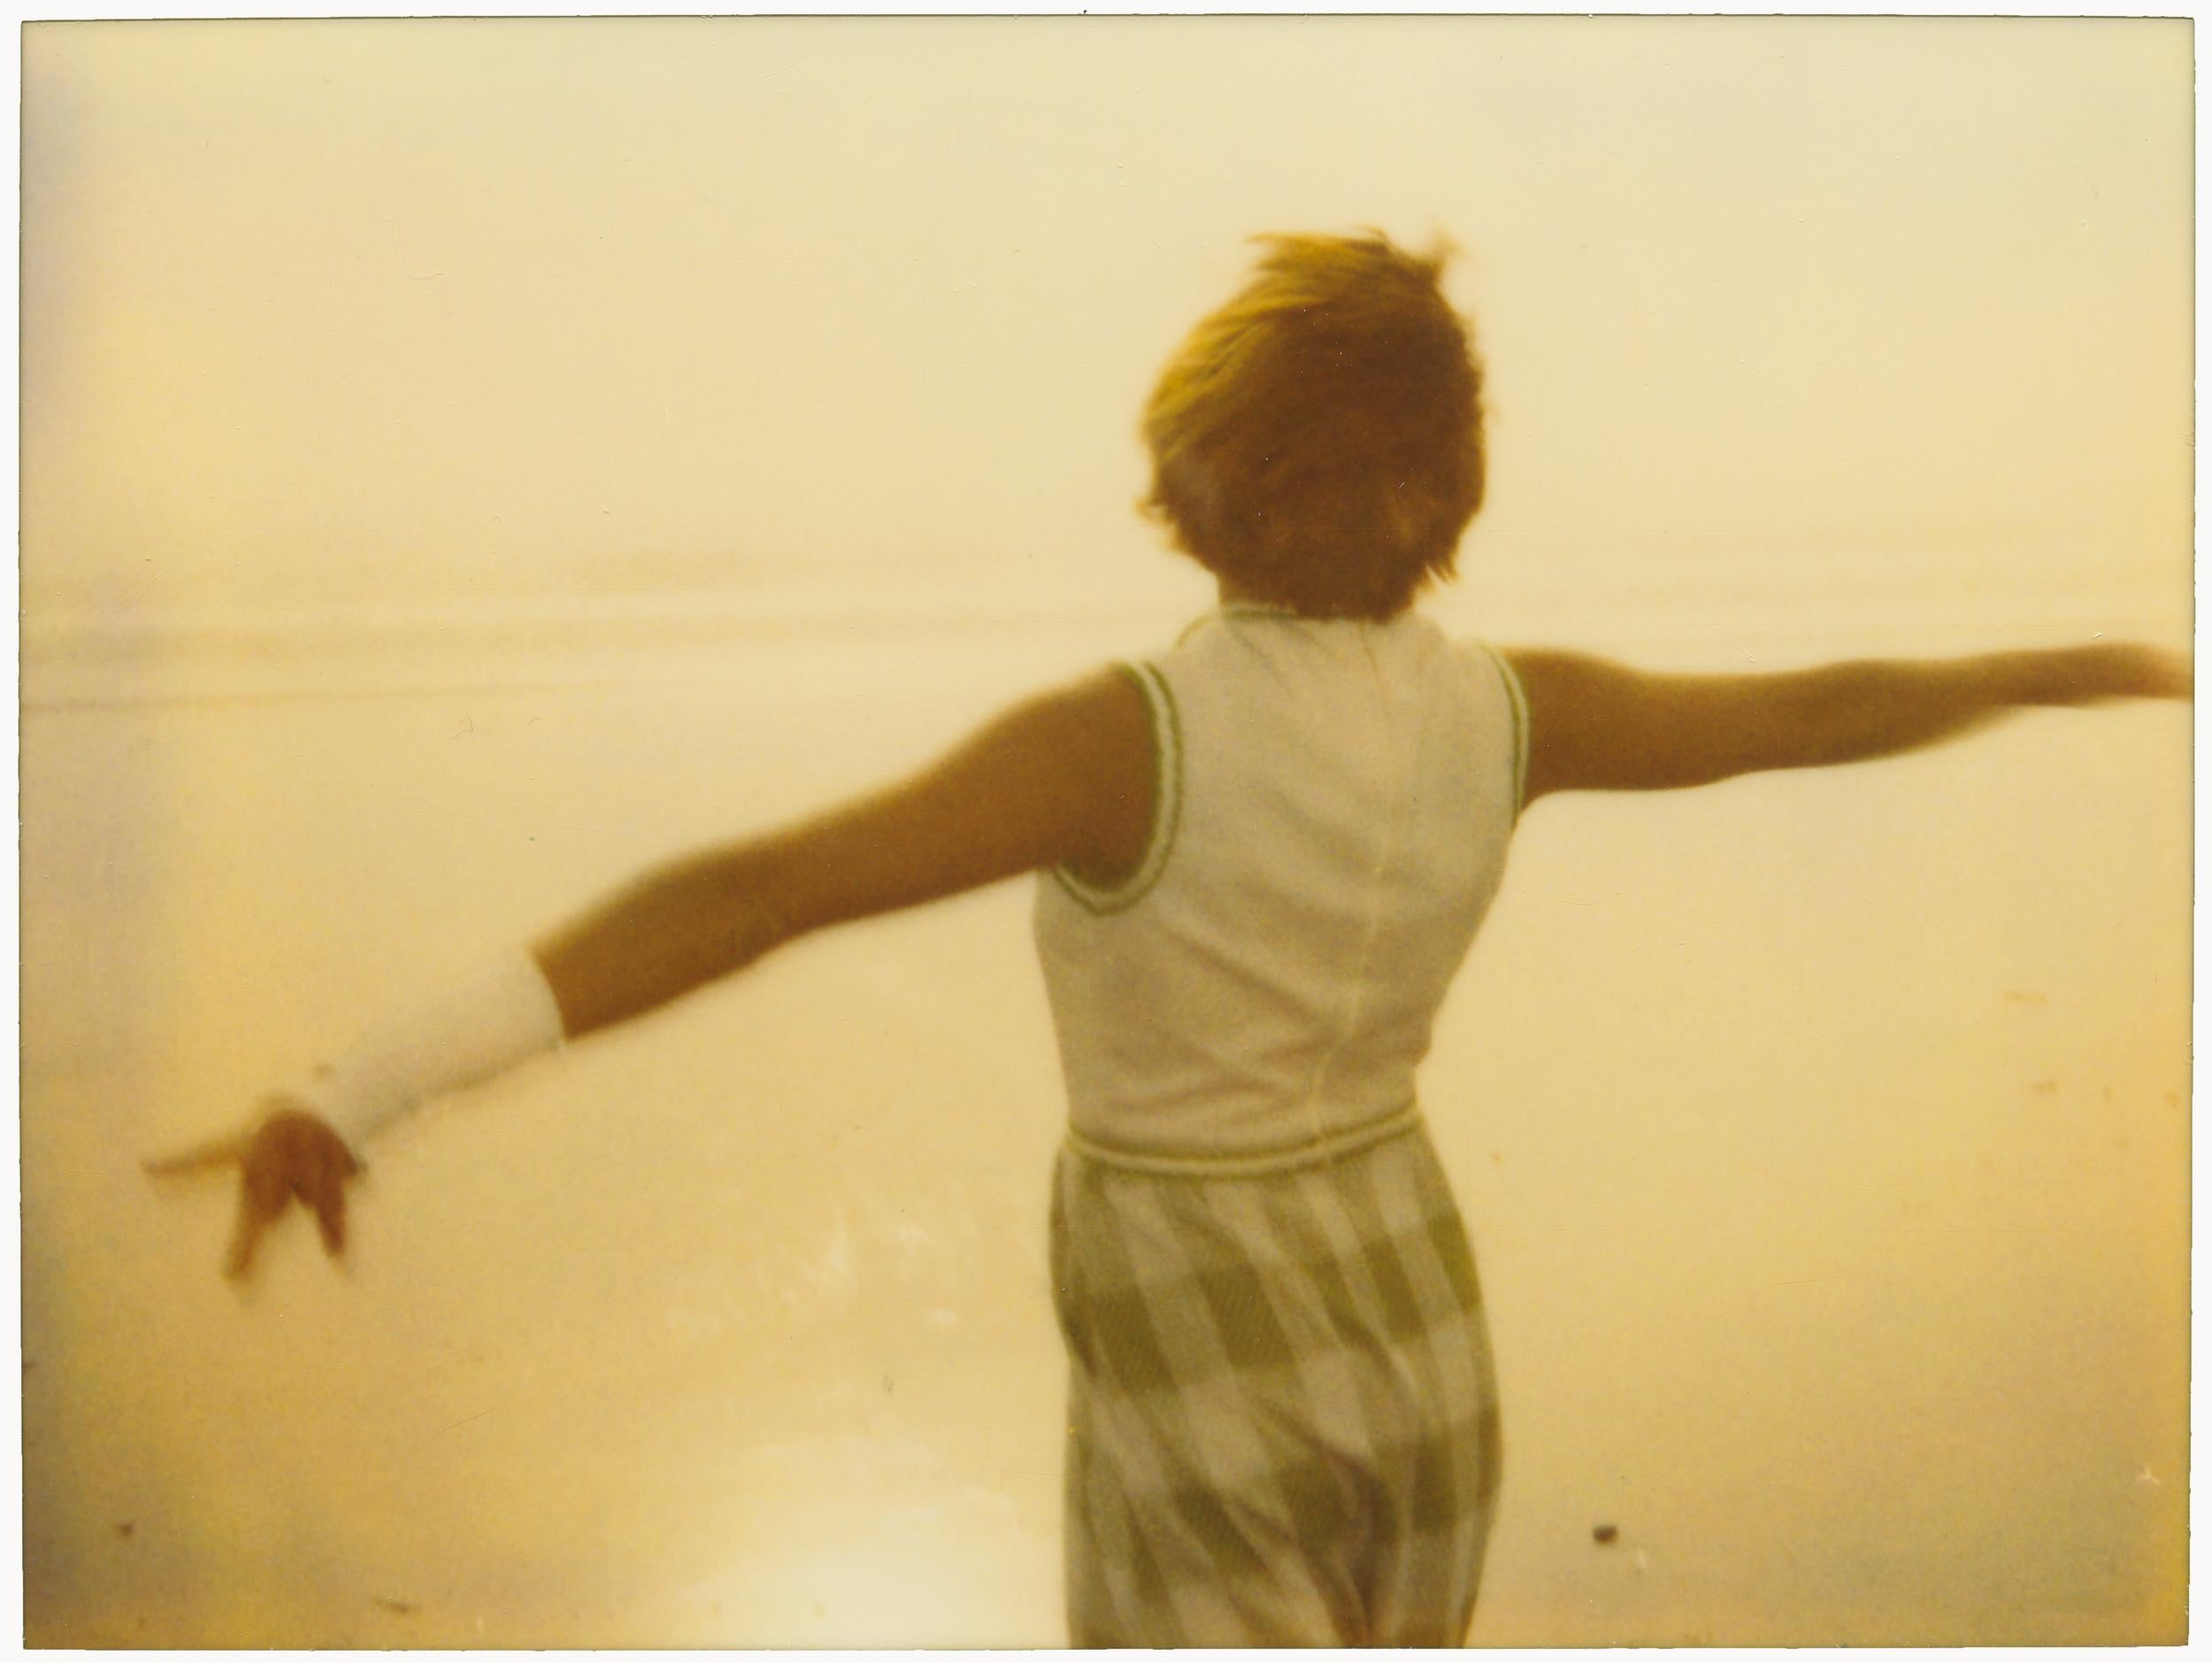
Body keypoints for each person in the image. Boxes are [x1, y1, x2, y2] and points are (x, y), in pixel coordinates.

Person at [147, 231, 2190, 1645]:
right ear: (1432, 494)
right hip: (1410, 1300)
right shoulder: (1509, 709)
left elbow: (750, 896)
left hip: (1194, 1305)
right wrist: (2055, 662)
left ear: (1203, 472)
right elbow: (1804, 713)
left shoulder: (1120, 742)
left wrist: (363, 1076)